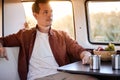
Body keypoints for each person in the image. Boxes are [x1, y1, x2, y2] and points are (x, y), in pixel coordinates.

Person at [0, 0, 94, 80]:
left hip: (61, 75)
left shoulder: (62, 35)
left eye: (51, 11)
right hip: (38, 77)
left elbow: (76, 48)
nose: (50, 15)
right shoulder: (24, 35)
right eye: (45, 12)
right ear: (35, 15)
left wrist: (85, 54)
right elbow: (2, 40)